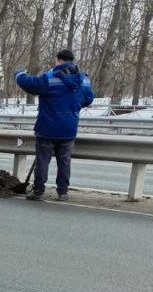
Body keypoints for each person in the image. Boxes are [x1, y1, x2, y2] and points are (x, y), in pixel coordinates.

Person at [15, 49, 95, 201]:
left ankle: (38, 191)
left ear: (58, 60)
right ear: (72, 61)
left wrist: (19, 74)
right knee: (64, 162)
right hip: (69, 129)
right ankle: (62, 192)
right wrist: (73, 105)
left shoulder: (50, 78)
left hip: (47, 128)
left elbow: (30, 84)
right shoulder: (83, 80)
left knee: (43, 161)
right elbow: (88, 99)